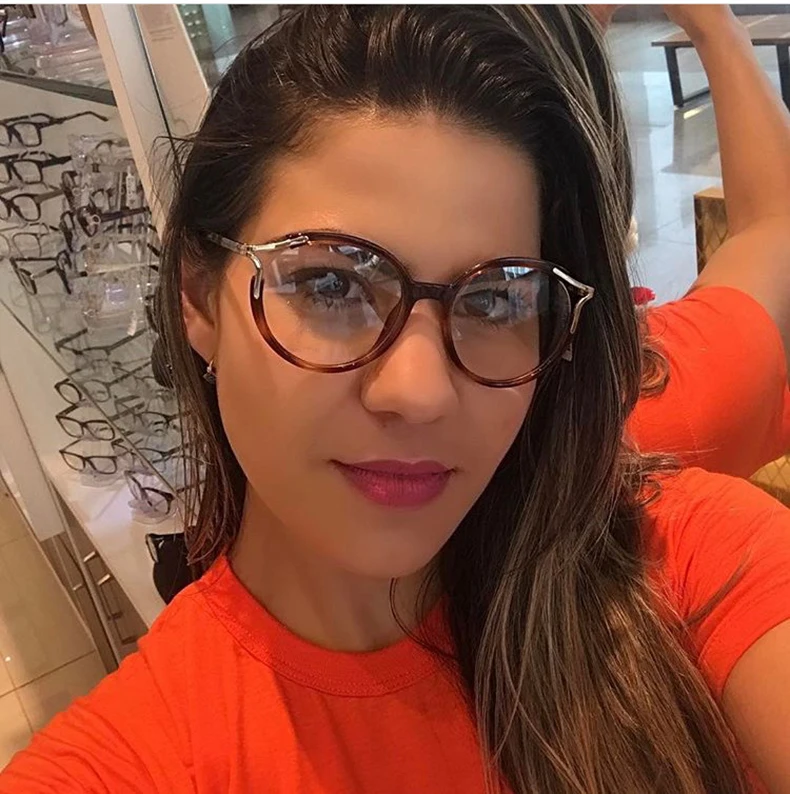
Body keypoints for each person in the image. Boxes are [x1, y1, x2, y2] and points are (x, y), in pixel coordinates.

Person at [3, 6, 790, 793]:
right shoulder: (138, 760)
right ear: (197, 299)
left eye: (496, 299)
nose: (420, 392)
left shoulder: (680, 562)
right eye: (330, 284)